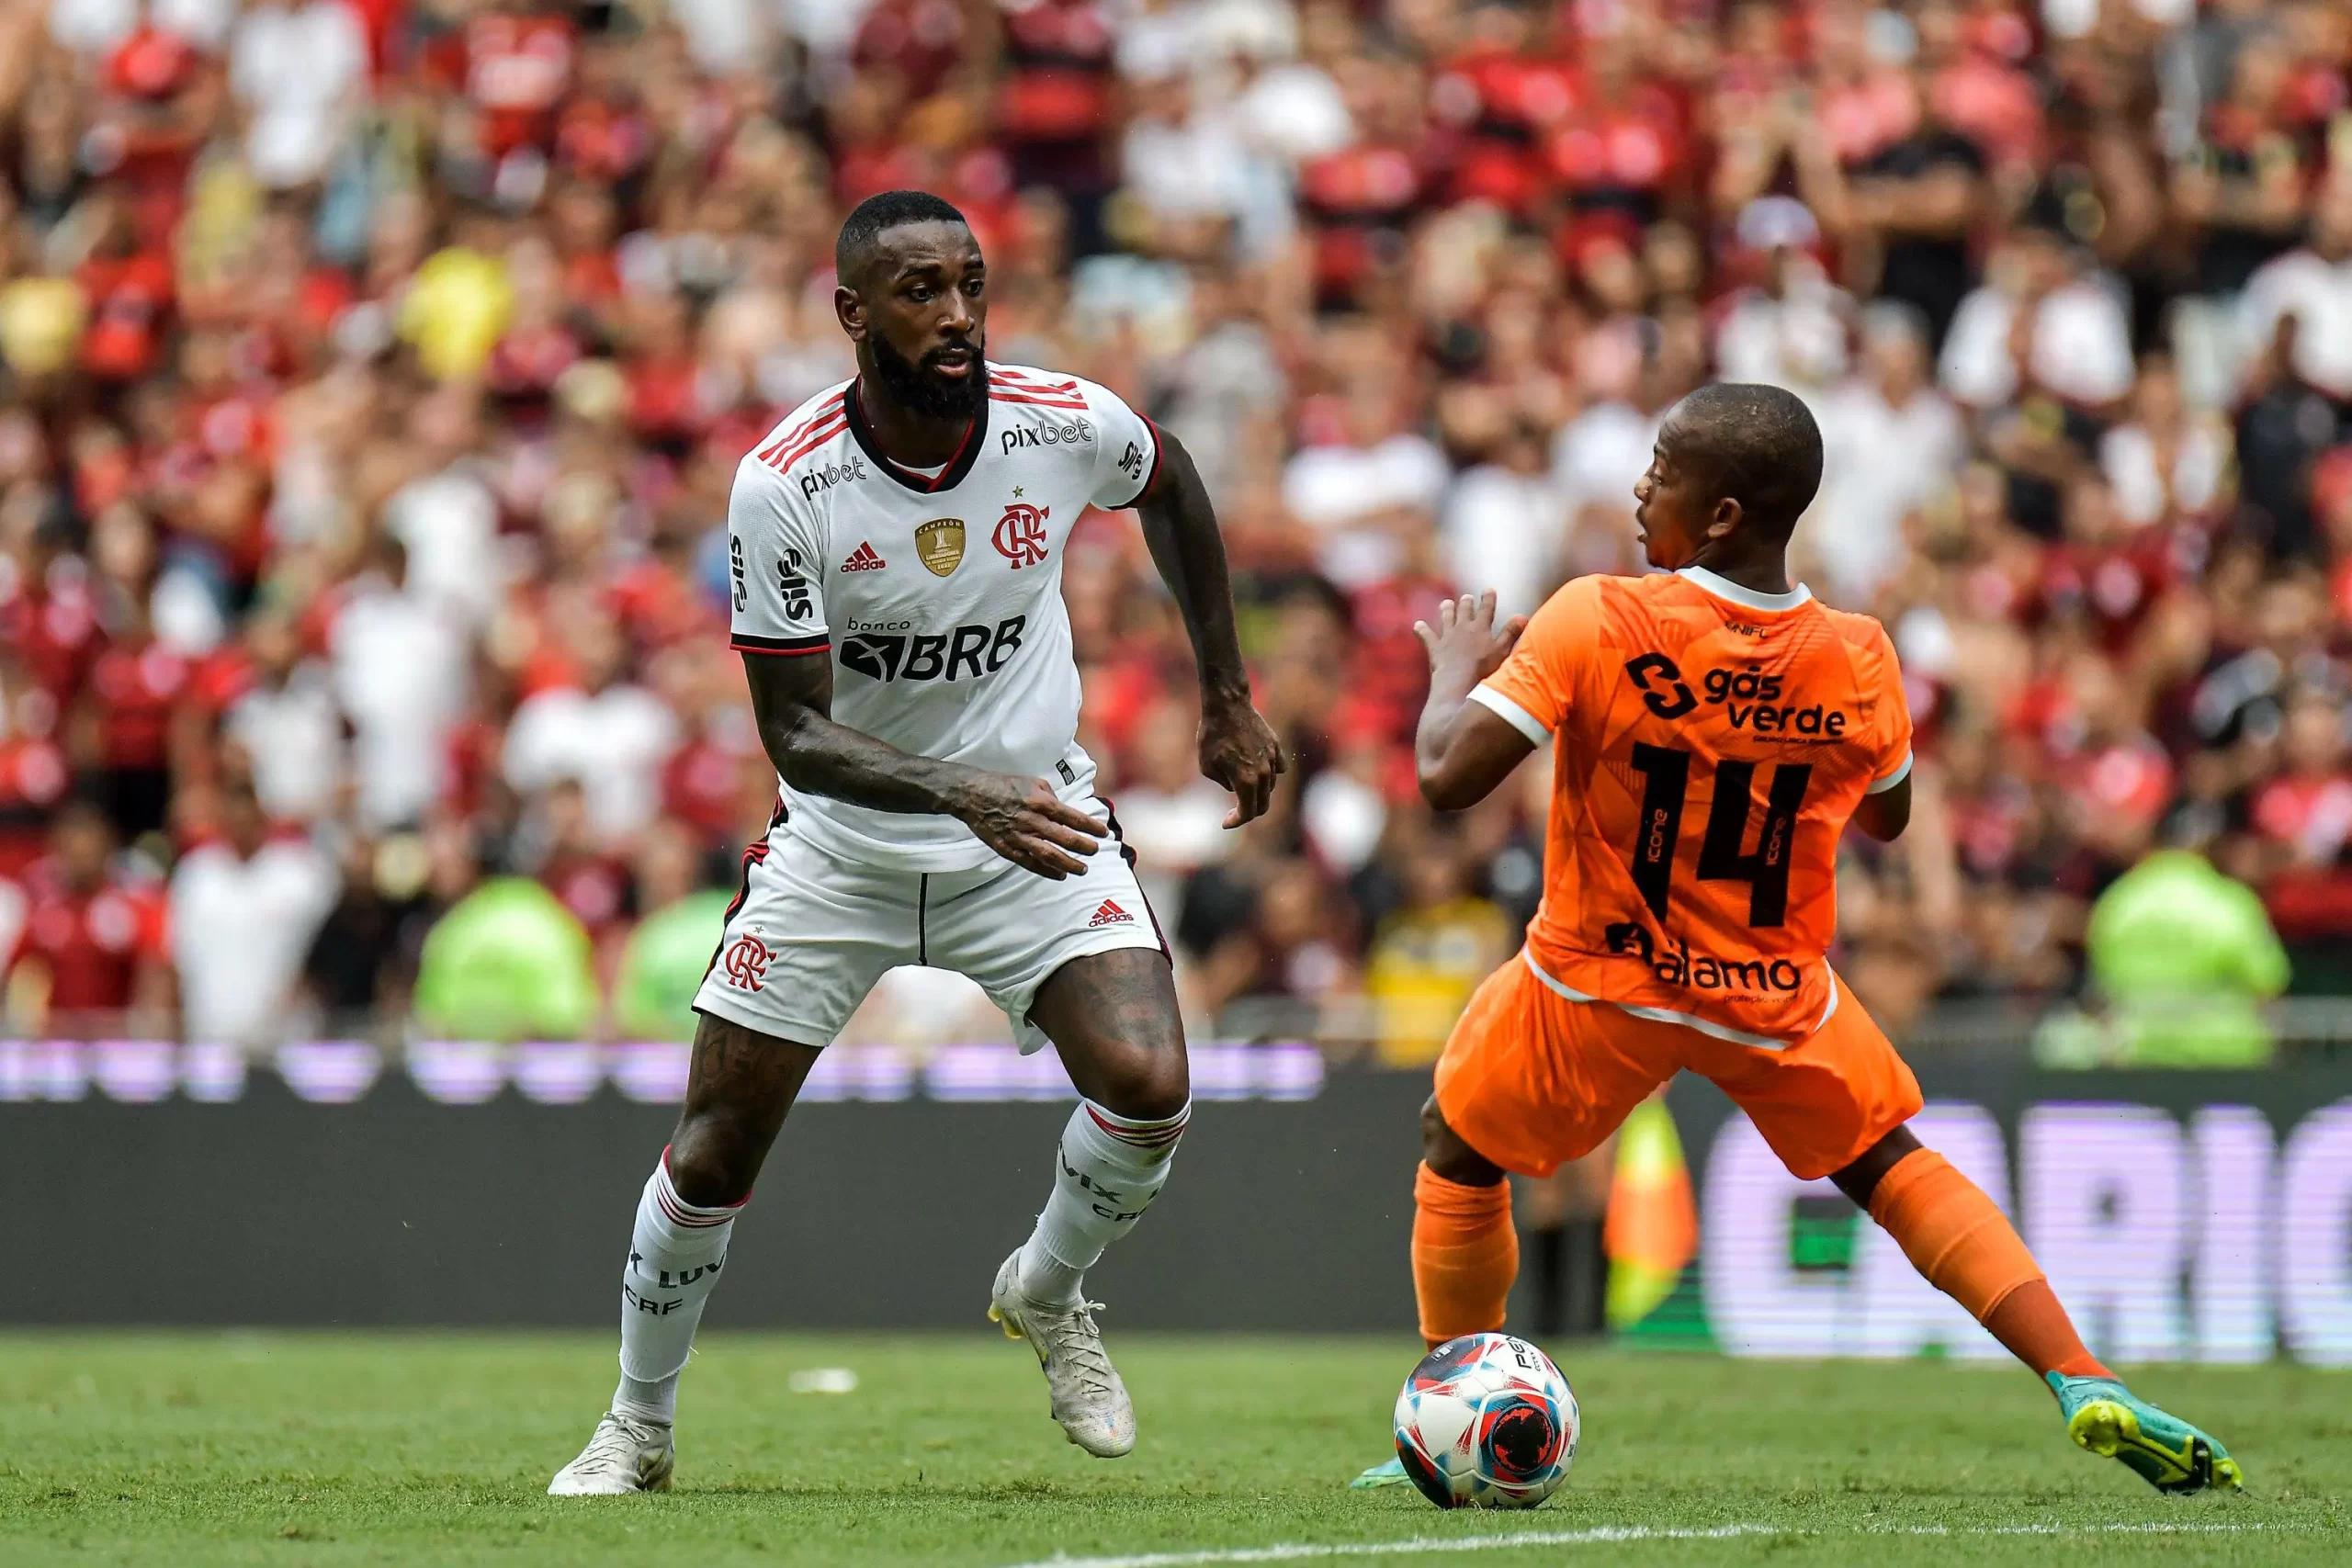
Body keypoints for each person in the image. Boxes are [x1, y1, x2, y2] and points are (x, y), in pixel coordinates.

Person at [1352, 384, 2241, 1496]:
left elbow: (1443, 779)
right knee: (1889, 1167)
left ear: (1719, 514)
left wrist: (1454, 672)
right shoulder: (1860, 656)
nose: (1640, 486)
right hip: (1771, 990)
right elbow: (1888, 814)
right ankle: (2078, 1377)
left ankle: (1457, 1409)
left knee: (1459, 1146)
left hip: (1601, 979)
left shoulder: (1599, 617)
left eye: (1662, 468)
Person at [548, 190, 1283, 1494]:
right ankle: (637, 1421)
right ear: (852, 313)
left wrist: (1225, 692)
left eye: (969, 285)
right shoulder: (789, 482)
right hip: (847, 843)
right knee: (715, 1142)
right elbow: (795, 734)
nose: (955, 316)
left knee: (1152, 1083)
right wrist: (962, 791)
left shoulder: (1061, 422)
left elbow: (1172, 483)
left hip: (1033, 820)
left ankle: (1046, 1292)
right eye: (919, 292)